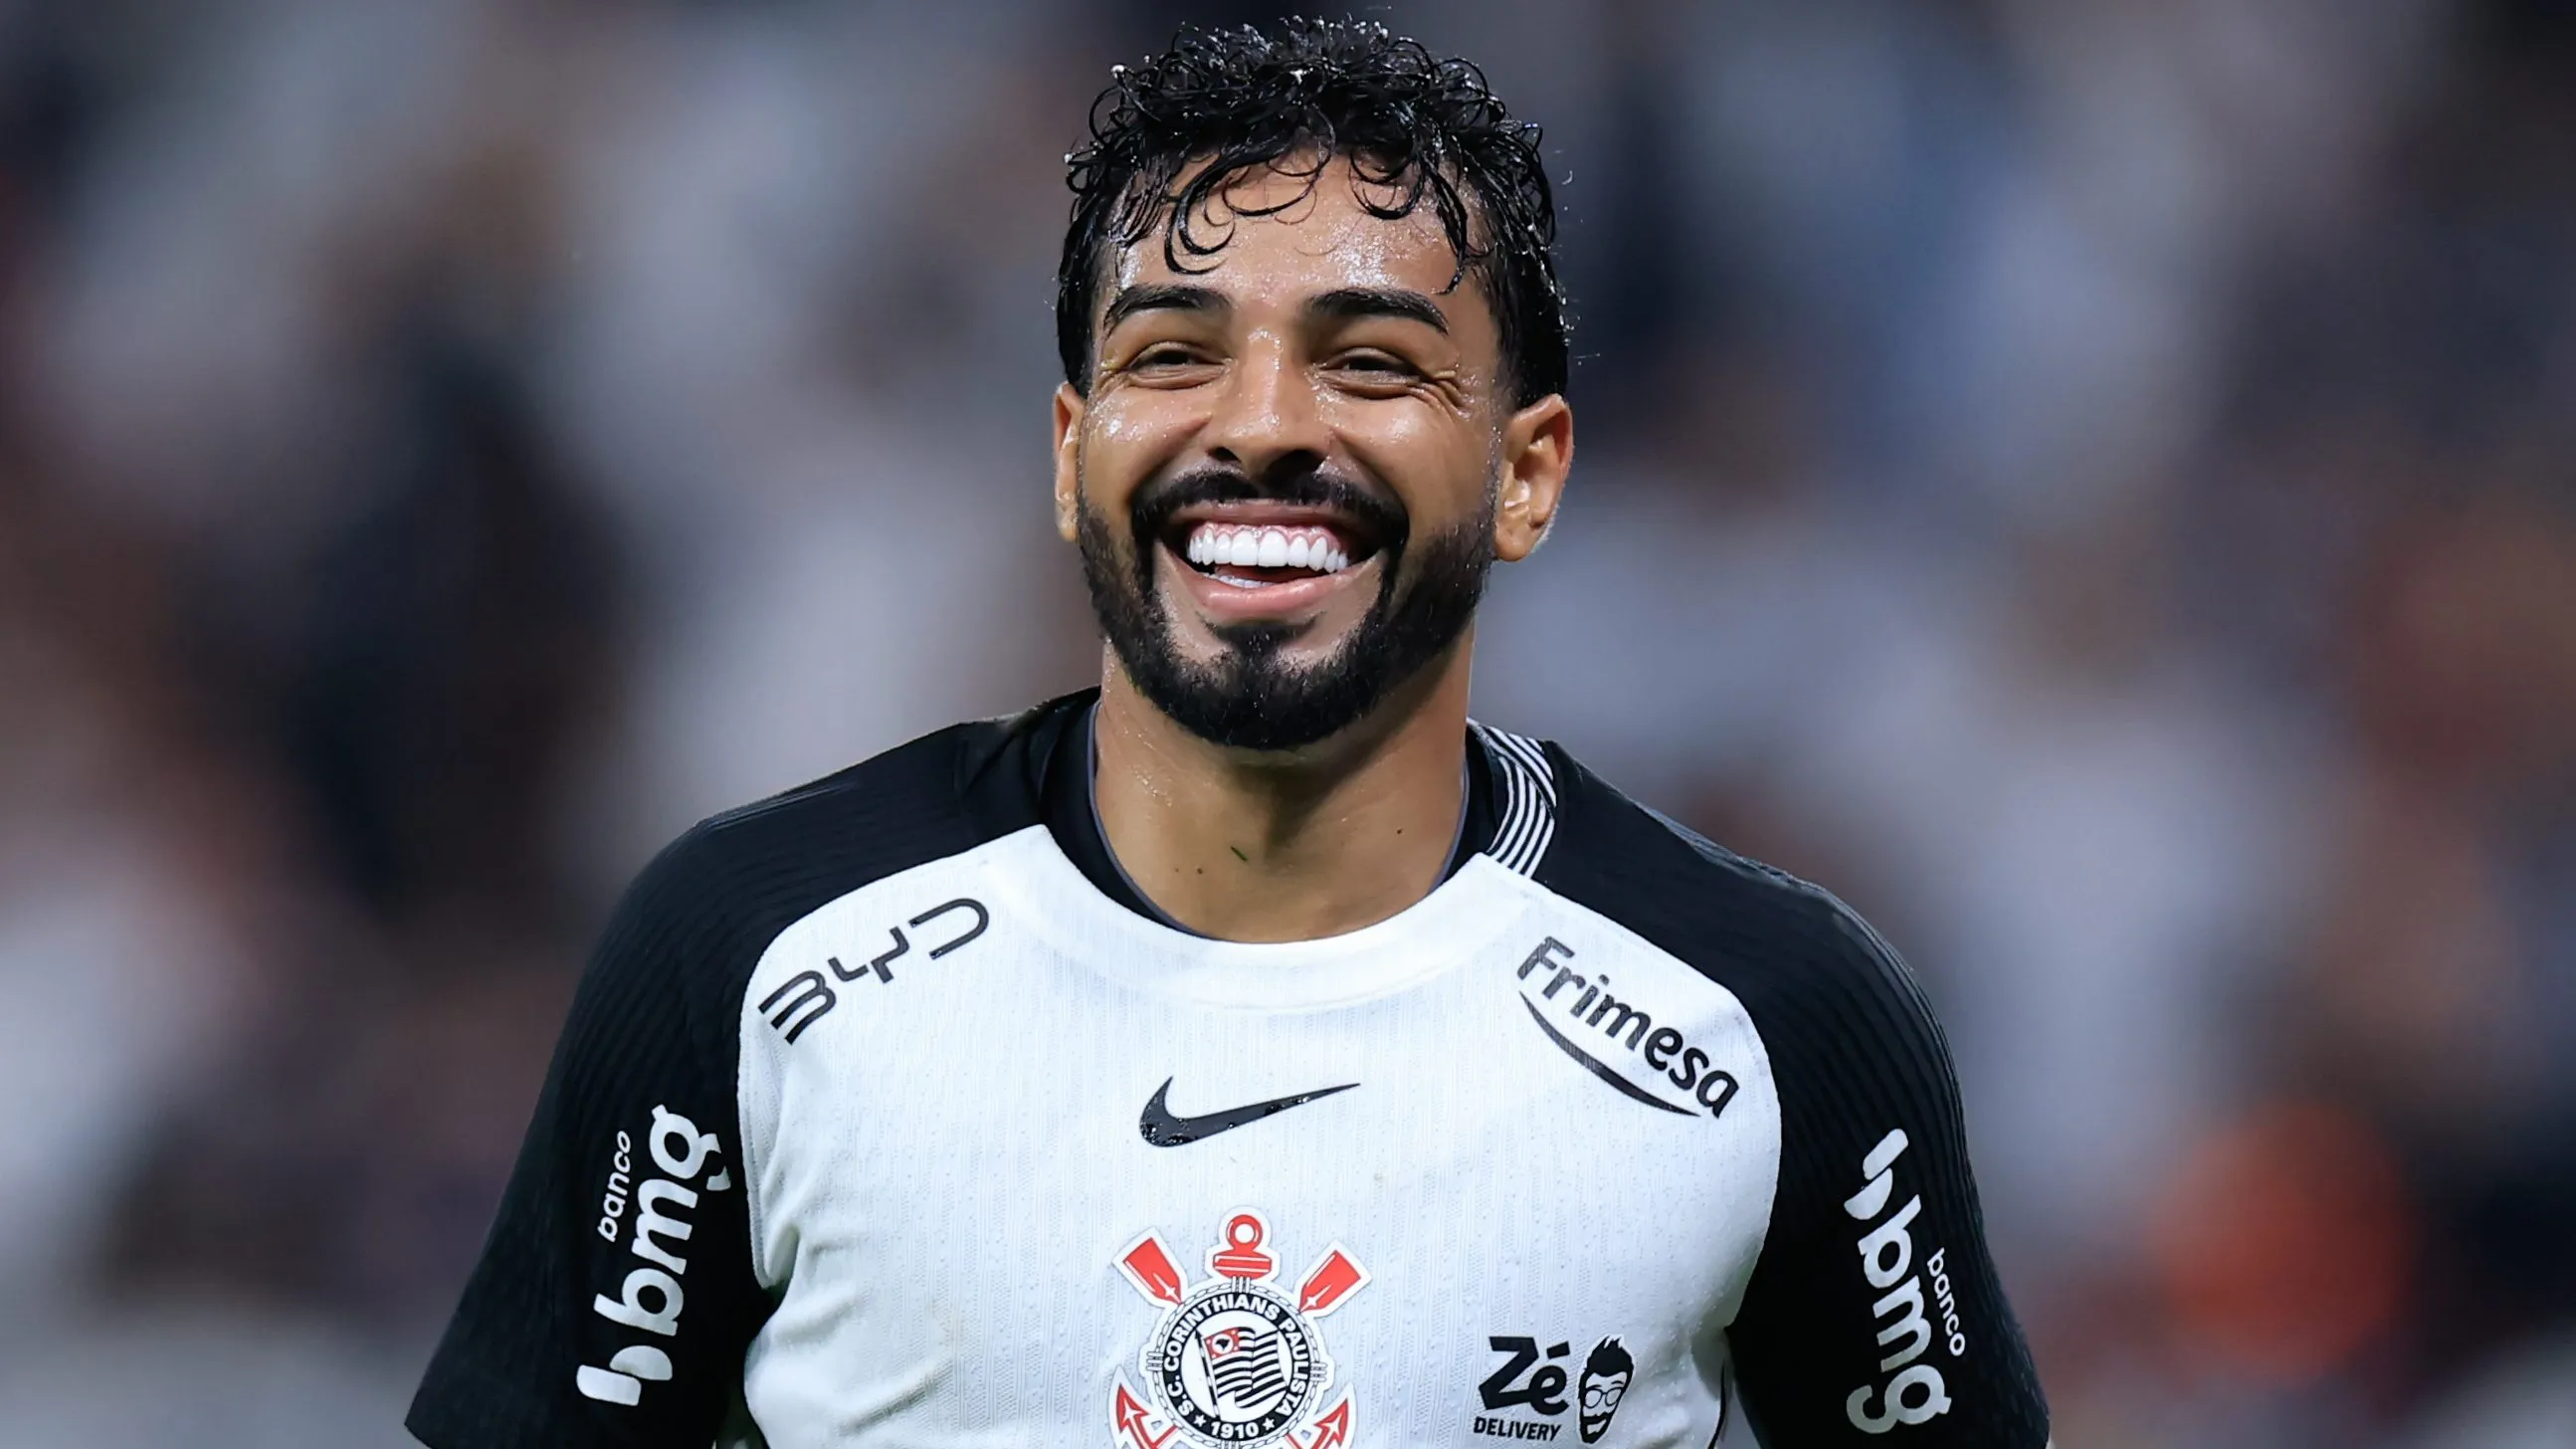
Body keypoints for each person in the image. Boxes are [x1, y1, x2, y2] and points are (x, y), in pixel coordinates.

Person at [407, 20, 2049, 1449]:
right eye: (1174, 353)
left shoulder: (1779, 1022)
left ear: (1529, 473)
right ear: (1070, 453)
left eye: (1373, 362)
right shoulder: (744, 952)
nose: (1261, 425)